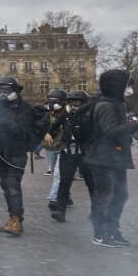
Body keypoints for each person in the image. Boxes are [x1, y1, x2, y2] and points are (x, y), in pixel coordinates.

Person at [0, 76, 49, 236]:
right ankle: (13, 217)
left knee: (12, 184)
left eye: (7, 90)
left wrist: (2, 120)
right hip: (0, 153)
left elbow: (21, 130)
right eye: (0, 90)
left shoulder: (25, 108)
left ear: (15, 91)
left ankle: (17, 220)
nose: (3, 93)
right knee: (5, 185)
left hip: (16, 153)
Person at [84, 69, 138, 248]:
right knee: (105, 197)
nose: (130, 89)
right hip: (103, 159)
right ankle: (100, 234)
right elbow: (110, 131)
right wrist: (136, 124)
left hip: (114, 158)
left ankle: (112, 230)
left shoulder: (116, 103)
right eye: (128, 85)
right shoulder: (107, 105)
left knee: (119, 196)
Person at [48, 90, 95, 223]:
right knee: (64, 182)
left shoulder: (90, 115)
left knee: (91, 182)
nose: (74, 104)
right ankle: (60, 211)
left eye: (77, 102)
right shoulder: (66, 115)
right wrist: (48, 133)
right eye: (72, 102)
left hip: (85, 152)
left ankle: (96, 210)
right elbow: (54, 126)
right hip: (68, 151)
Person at [40, 89, 67, 176]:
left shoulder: (66, 111)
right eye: (50, 99)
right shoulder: (47, 111)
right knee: (50, 154)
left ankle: (60, 170)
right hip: (50, 139)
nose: (52, 102)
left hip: (61, 138)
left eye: (55, 100)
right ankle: (51, 168)